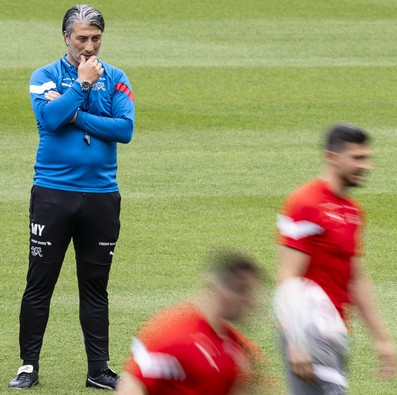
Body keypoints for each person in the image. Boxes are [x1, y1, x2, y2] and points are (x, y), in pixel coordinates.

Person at [8, 4, 135, 390]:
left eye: (96, 38)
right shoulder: (44, 76)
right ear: (66, 37)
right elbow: (48, 119)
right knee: (39, 282)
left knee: (95, 286)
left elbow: (125, 129)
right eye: (81, 38)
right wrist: (80, 86)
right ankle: (28, 366)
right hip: (53, 194)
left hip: (100, 196)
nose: (89, 46)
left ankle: (98, 370)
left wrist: (76, 116)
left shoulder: (115, 77)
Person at [275, 123, 397, 394]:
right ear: (333, 157)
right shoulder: (305, 204)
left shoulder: (352, 211)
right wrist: (296, 342)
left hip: (335, 330)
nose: (367, 166)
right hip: (307, 331)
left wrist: (382, 338)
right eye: (358, 158)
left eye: (367, 158)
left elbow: (355, 278)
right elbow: (288, 277)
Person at [116, 250, 265, 395]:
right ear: (221, 290)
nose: (250, 302)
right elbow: (132, 388)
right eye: (243, 291)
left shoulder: (238, 347)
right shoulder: (171, 336)